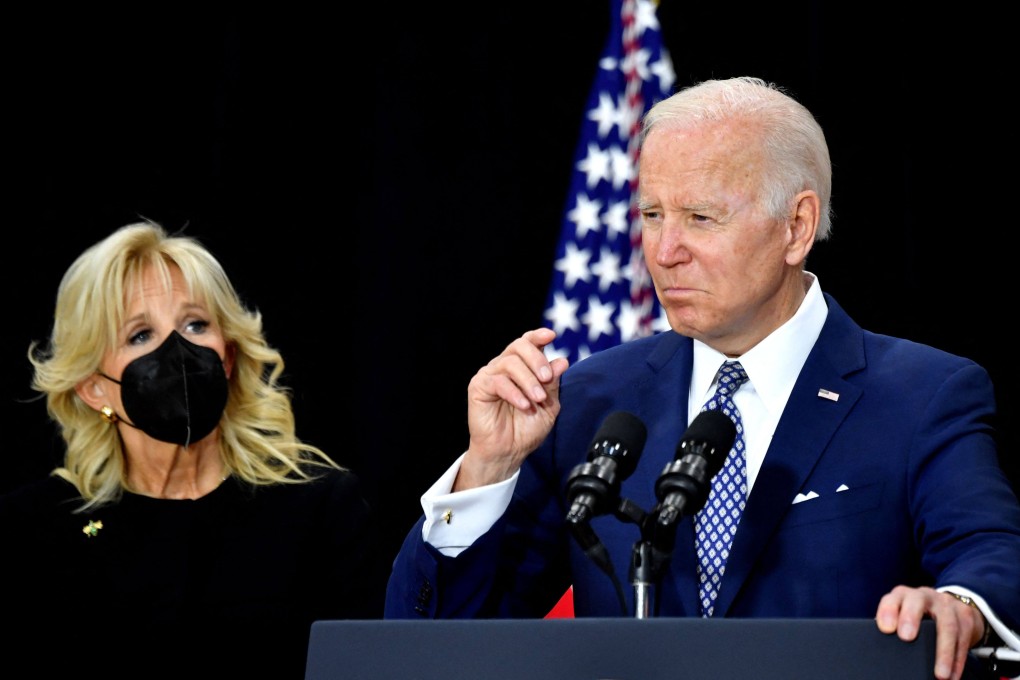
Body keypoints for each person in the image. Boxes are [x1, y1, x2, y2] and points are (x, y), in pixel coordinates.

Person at [384, 77, 1020, 680]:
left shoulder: (922, 395)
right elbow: (440, 639)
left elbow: (992, 555)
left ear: (796, 227)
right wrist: (487, 470)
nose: (664, 252)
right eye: (653, 214)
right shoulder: (593, 402)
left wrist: (959, 606)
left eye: (701, 218)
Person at [0, 221, 387, 678]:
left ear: (226, 356)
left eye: (195, 324)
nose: (178, 351)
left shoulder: (318, 507)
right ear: (93, 389)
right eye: (139, 335)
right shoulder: (36, 529)